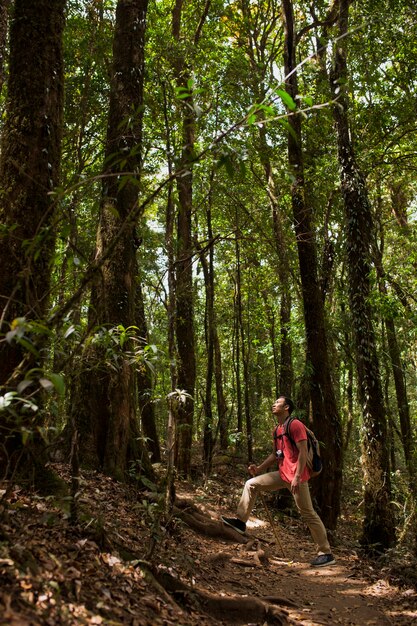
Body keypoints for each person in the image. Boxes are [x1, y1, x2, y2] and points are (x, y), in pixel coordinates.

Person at [221, 395, 335, 567]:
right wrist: (258, 469)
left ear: (287, 407)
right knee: (251, 484)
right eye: (274, 403)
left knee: (308, 513)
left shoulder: (295, 425)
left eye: (278, 403)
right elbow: (277, 454)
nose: (274, 405)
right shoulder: (277, 430)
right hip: (282, 475)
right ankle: (240, 521)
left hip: (297, 477)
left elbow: (303, 452)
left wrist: (297, 477)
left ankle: (325, 553)